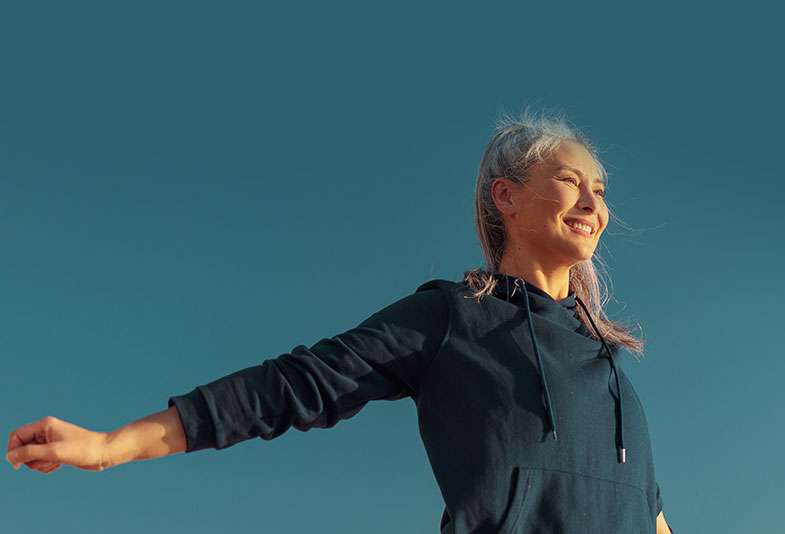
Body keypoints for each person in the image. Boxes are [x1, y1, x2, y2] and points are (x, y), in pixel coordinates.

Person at [6, 109, 675, 534]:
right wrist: (108, 446)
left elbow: (648, 516)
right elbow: (293, 386)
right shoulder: (451, 318)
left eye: (601, 190)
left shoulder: (610, 369)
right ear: (507, 196)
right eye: (570, 181)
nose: (593, 202)